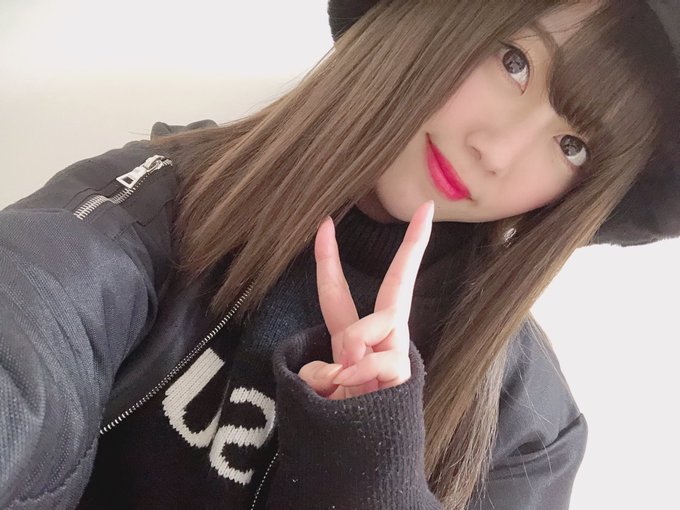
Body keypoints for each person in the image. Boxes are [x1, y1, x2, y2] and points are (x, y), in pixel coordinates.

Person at [1, 0, 679, 509]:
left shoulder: (528, 426)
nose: (497, 152)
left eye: (572, 147)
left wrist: (369, 469)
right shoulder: (149, 205)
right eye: (515, 63)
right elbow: (30, 322)